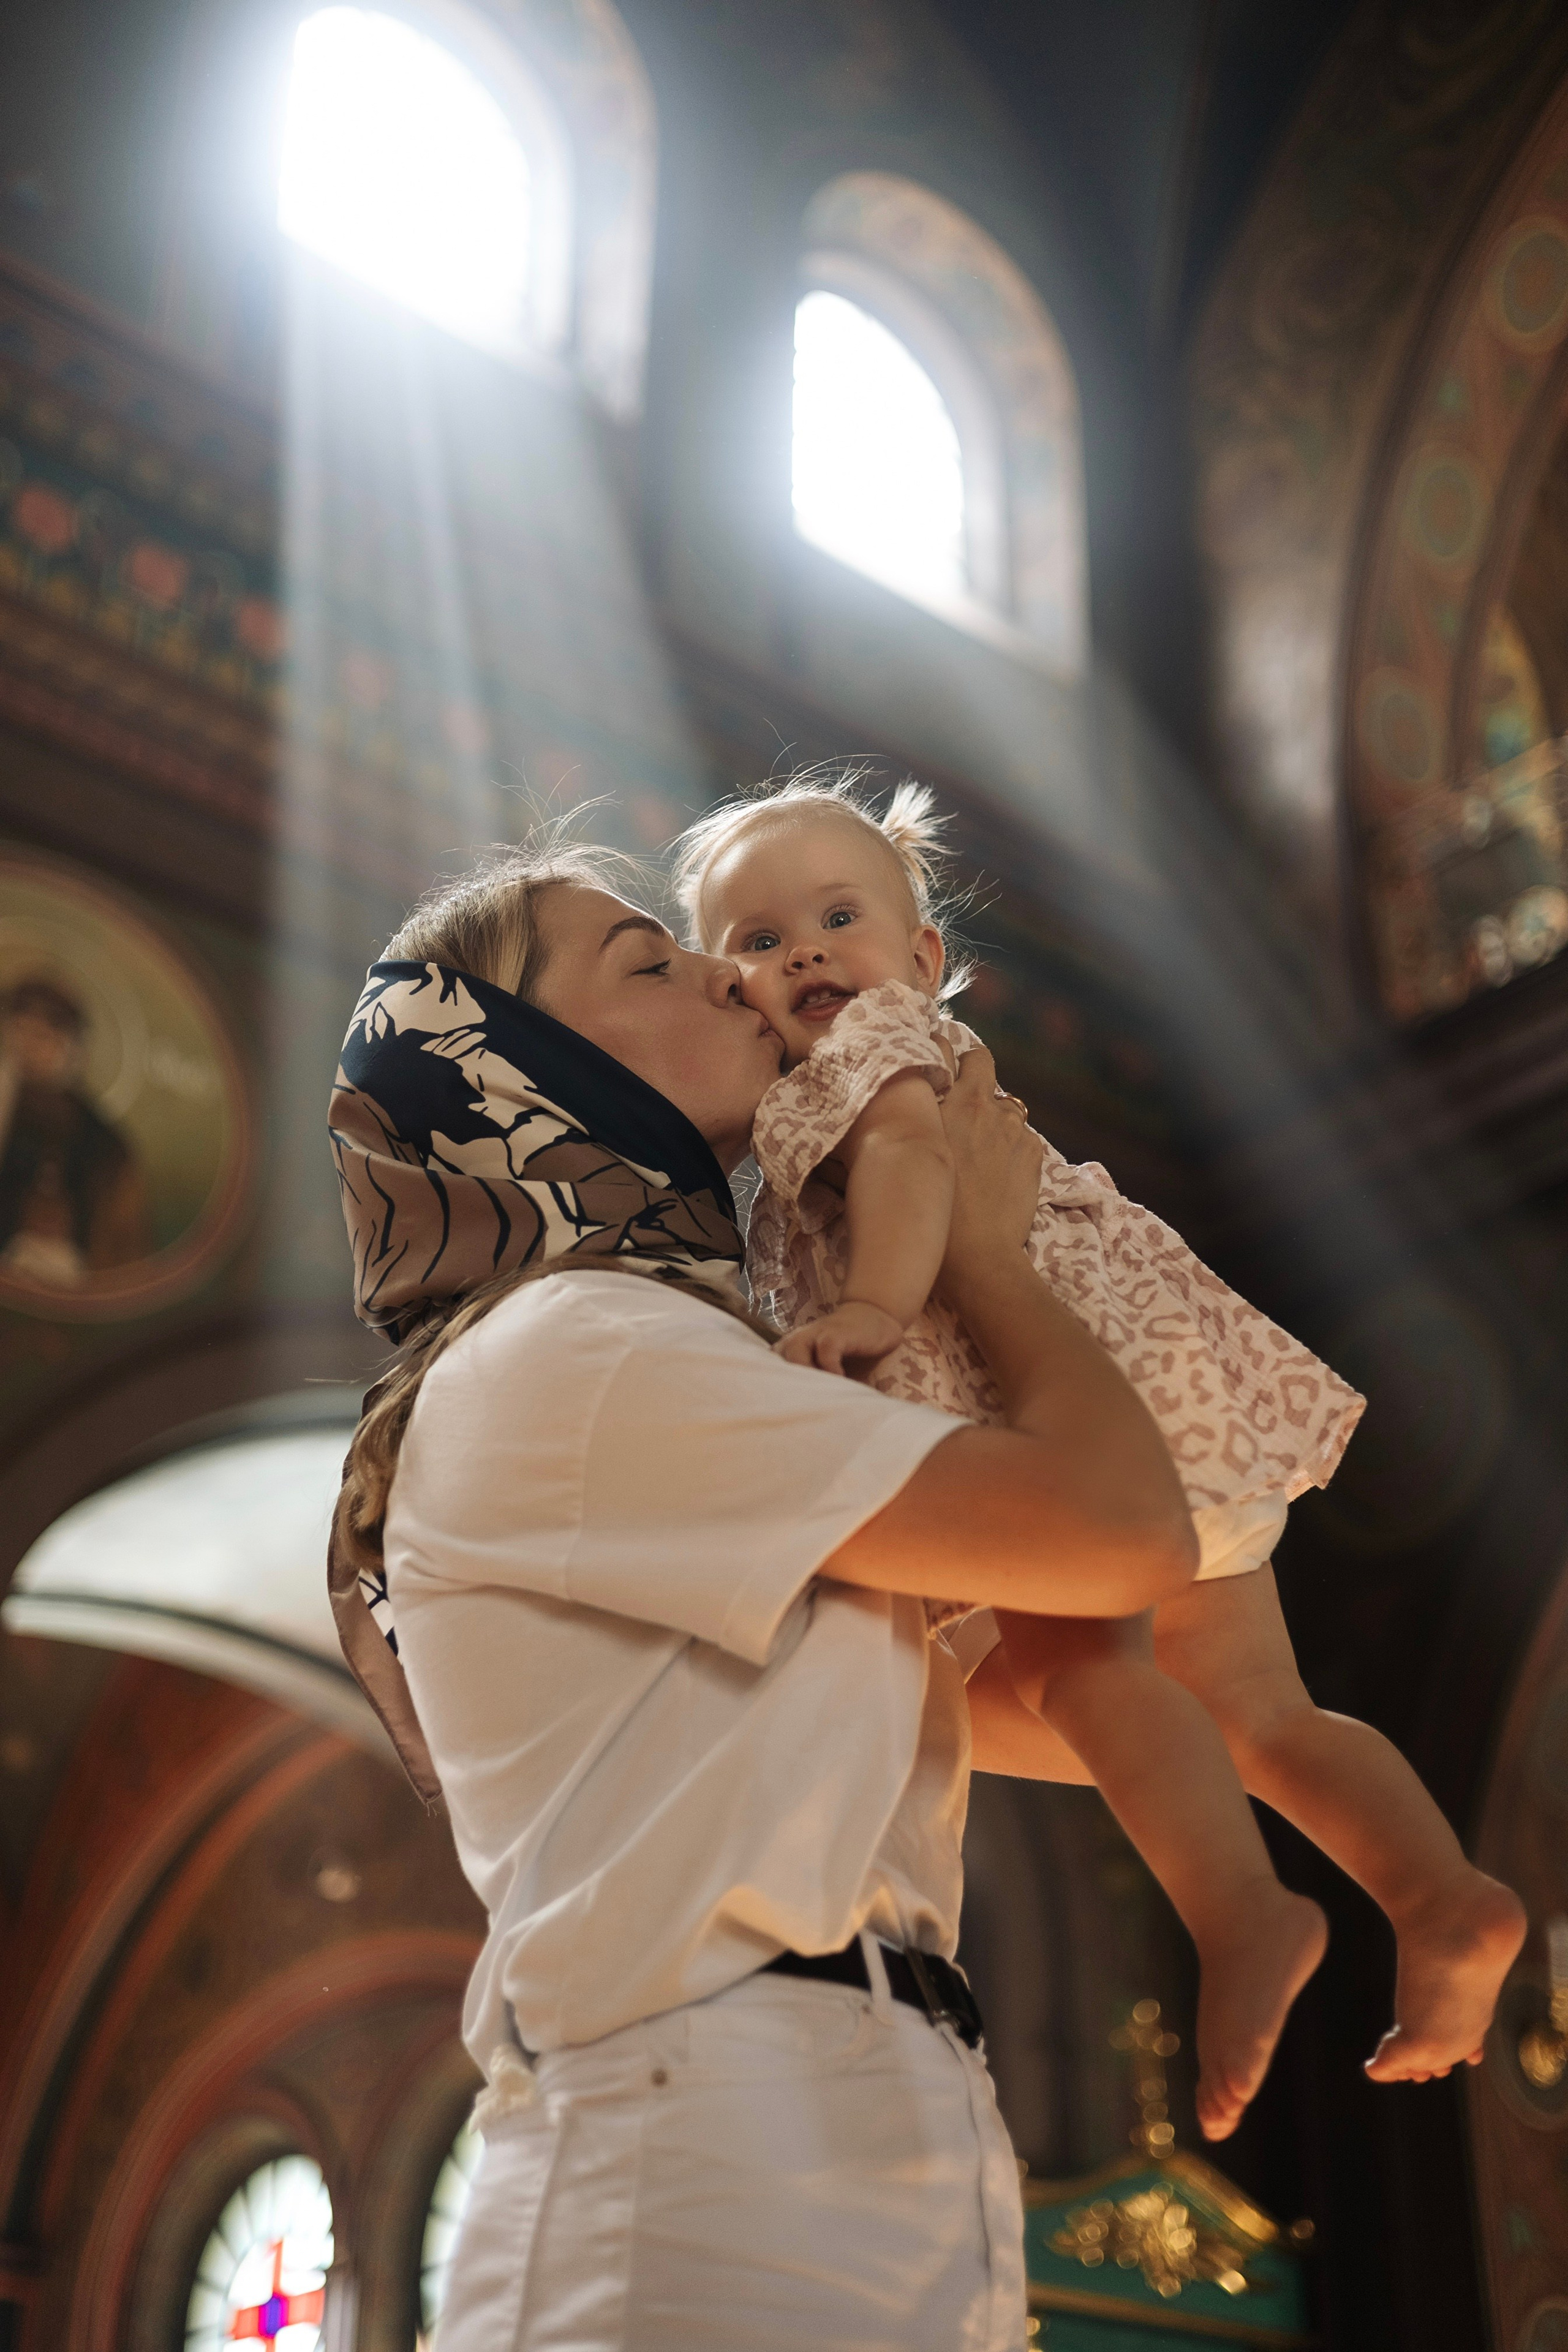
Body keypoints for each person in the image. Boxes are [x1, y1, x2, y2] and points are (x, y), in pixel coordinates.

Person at [325, 835, 1200, 2352]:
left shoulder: (680, 1347)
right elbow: (1119, 1527)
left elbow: (992, 1691)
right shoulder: (582, 1346)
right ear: (520, 1073)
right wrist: (988, 1258)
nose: (732, 970)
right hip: (704, 2143)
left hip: (836, 2113)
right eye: (651, 962)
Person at [673, 773, 1528, 2138]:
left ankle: (1238, 1912)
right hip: (1156, 1387)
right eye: (758, 943)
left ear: (923, 959)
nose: (805, 955)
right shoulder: (884, 1061)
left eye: (838, 916)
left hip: (1025, 1381)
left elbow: (902, 1161)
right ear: (725, 988)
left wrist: (873, 1308)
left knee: (1080, 1664)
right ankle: (1440, 1900)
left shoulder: (868, 1058)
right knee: (1259, 1709)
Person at [0, 973, 149, 1287]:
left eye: (44, 1037)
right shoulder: (5, 1108)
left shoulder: (107, 1145)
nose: (30, 1048)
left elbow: (121, 1250)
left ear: (73, 1049)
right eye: (22, 1031)